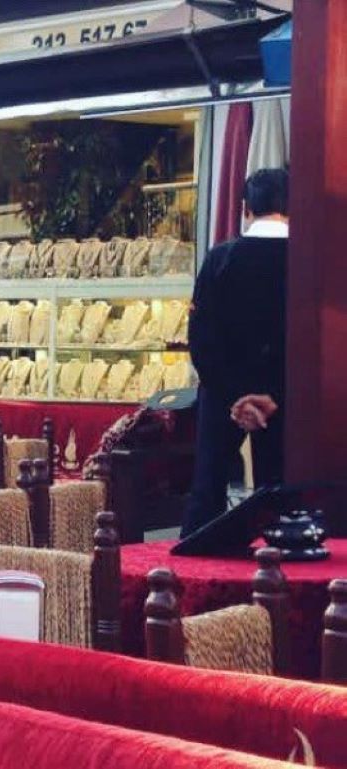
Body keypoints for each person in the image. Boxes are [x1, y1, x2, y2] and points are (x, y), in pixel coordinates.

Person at [181, 168, 289, 537]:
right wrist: (273, 395)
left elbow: (201, 339)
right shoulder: (307, 261)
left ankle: (197, 565)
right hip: (284, 396)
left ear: (245, 209)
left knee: (208, 491)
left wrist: (235, 397)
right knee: (281, 496)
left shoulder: (220, 259)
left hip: (223, 393)